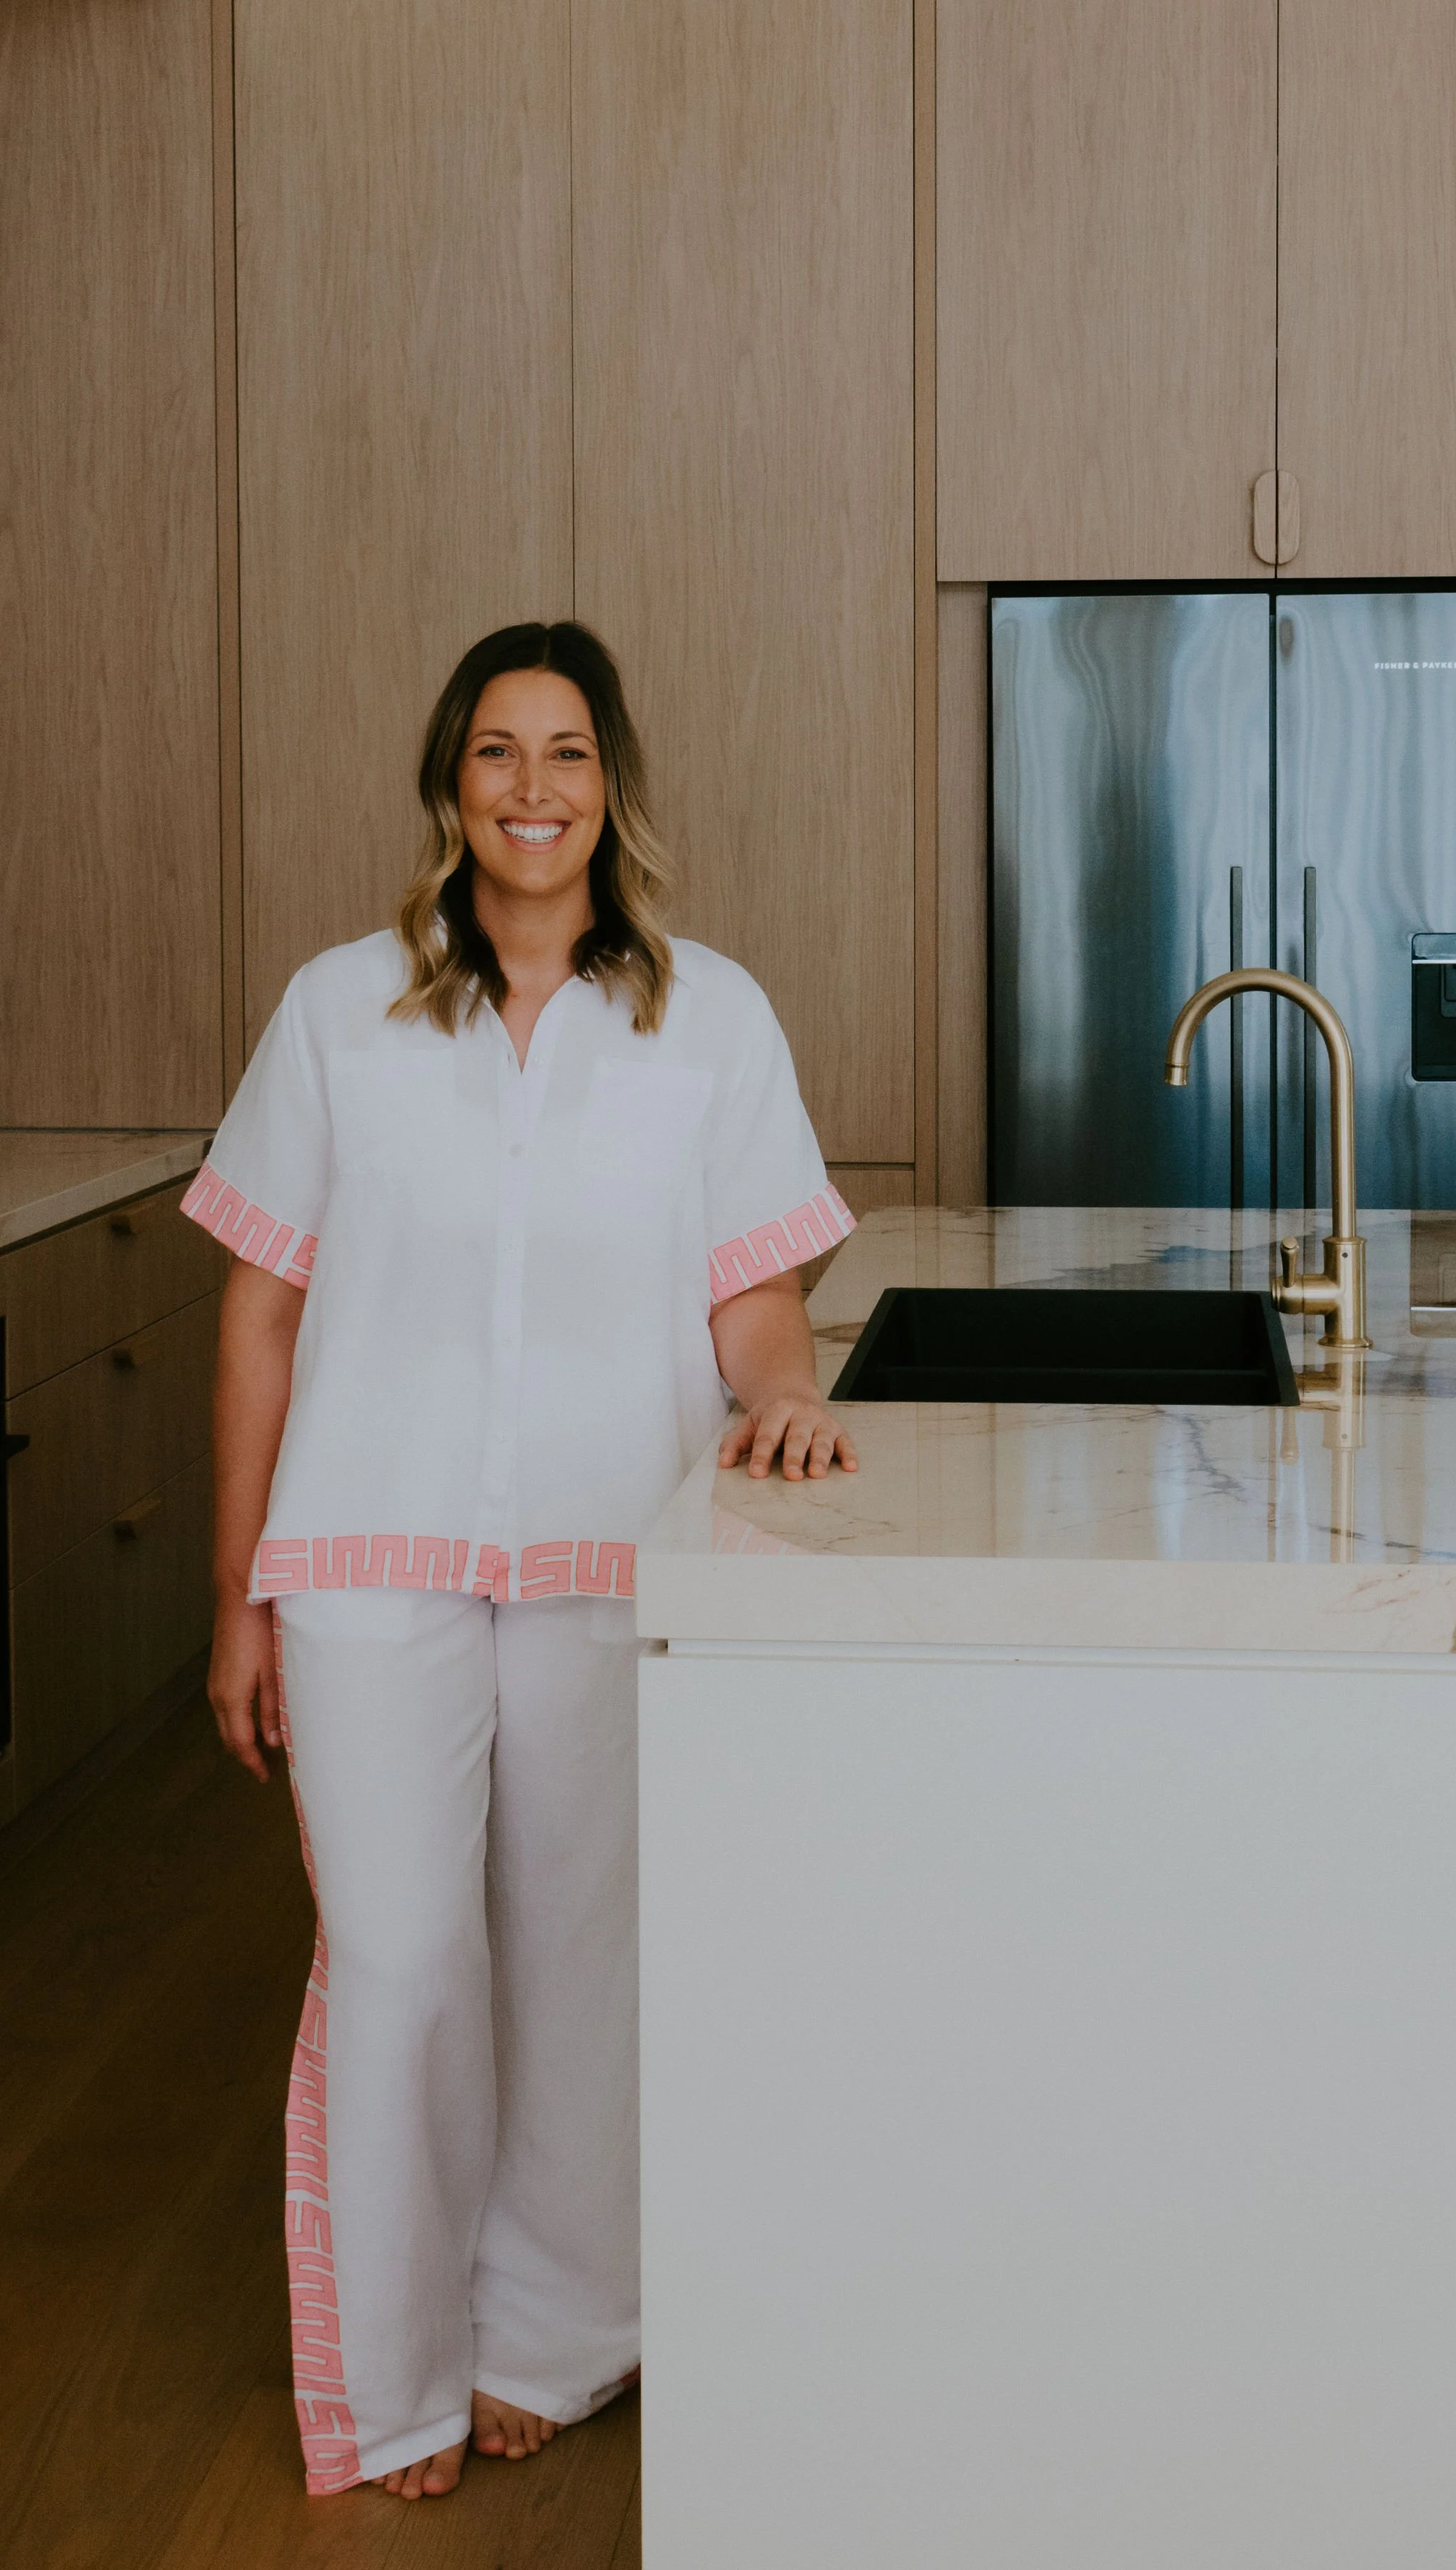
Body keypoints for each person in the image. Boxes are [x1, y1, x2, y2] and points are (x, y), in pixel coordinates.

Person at [187, 620, 858, 2500]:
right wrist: (236, 1595)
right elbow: (259, 1319)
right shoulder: (339, 1010)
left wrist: (787, 1394)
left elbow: (757, 1293)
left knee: (579, 1959)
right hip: (358, 1562)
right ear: (449, 782)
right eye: (498, 752)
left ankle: (557, 2339)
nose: (533, 789)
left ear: (611, 784)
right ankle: (393, 2377)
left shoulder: (706, 1015)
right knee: (399, 1961)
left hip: (608, 1560)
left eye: (566, 753)